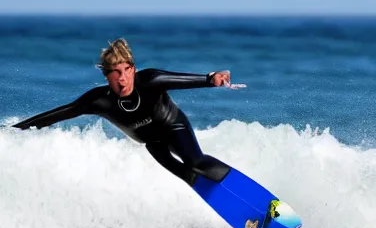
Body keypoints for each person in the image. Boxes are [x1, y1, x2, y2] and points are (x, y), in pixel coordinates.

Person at [13, 38, 235, 185]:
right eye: (115, 72)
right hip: (152, 144)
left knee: (195, 162)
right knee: (188, 177)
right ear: (106, 76)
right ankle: (224, 200)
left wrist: (212, 78)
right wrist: (14, 131)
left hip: (173, 127)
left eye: (126, 70)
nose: (122, 78)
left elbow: (184, 80)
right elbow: (60, 113)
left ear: (133, 69)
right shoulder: (99, 101)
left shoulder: (150, 80)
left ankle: (264, 204)